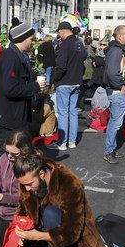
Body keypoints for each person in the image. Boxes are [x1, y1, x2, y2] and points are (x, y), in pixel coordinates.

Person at [12, 152, 107, 247]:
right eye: (24, 185)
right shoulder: (28, 180)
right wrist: (21, 230)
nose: (27, 189)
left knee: (50, 213)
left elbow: (72, 232)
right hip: (43, 233)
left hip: (72, 239)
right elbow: (22, 210)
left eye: (30, 184)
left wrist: (37, 236)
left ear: (41, 174)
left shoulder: (69, 183)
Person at [0, 22, 45, 179]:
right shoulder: (11, 57)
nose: (33, 41)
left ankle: (20, 181)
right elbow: (10, 89)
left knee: (19, 150)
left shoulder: (15, 55)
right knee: (3, 152)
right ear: (23, 39)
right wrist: (35, 86)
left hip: (11, 115)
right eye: (31, 38)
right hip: (7, 116)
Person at [50, 20, 85, 150]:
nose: (59, 36)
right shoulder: (79, 43)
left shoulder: (65, 45)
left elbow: (61, 66)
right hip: (76, 81)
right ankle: (72, 141)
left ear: (63, 31)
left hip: (64, 82)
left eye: (59, 33)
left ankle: (62, 142)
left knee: (63, 113)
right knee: (73, 112)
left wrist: (55, 79)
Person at [103, 25, 125, 164]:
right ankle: (109, 151)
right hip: (116, 92)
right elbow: (112, 73)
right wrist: (121, 86)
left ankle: (112, 148)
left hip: (116, 91)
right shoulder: (116, 51)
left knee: (115, 122)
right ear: (119, 36)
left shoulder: (116, 50)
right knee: (115, 123)